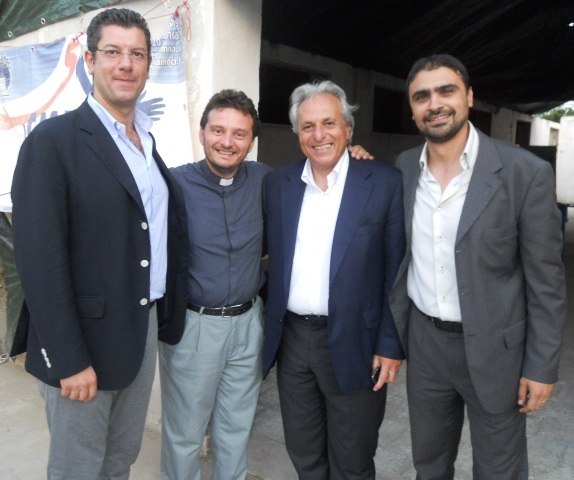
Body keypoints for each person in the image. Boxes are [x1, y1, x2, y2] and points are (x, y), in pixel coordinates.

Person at [10, 8, 188, 479]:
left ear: (148, 65)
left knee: (118, 462)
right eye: (113, 52)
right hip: (83, 342)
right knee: (78, 469)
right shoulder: (53, 142)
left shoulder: (146, 142)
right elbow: (39, 262)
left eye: (137, 54)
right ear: (89, 61)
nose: (125, 64)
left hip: (139, 329)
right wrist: (68, 360)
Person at [159, 88, 373, 480]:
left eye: (239, 133)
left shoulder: (266, 180)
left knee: (235, 429)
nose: (227, 142)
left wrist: (352, 154)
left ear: (251, 141)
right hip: (195, 327)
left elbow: (322, 174)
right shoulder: (173, 185)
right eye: (218, 130)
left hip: (248, 326)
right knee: (185, 433)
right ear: (202, 132)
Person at [389, 54, 567, 479]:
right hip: (426, 345)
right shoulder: (404, 168)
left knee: (499, 468)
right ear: (412, 109)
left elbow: (546, 281)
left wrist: (541, 366)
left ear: (469, 97)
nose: (434, 104)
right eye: (421, 96)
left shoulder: (524, 173)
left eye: (446, 91)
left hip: (497, 349)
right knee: (429, 463)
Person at [262, 80, 406, 479]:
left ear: (348, 128)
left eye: (329, 123)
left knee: (352, 461)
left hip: (358, 342)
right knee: (304, 454)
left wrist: (390, 344)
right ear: (297, 133)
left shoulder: (384, 183)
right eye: (308, 126)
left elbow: (396, 272)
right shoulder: (277, 184)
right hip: (293, 342)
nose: (319, 135)